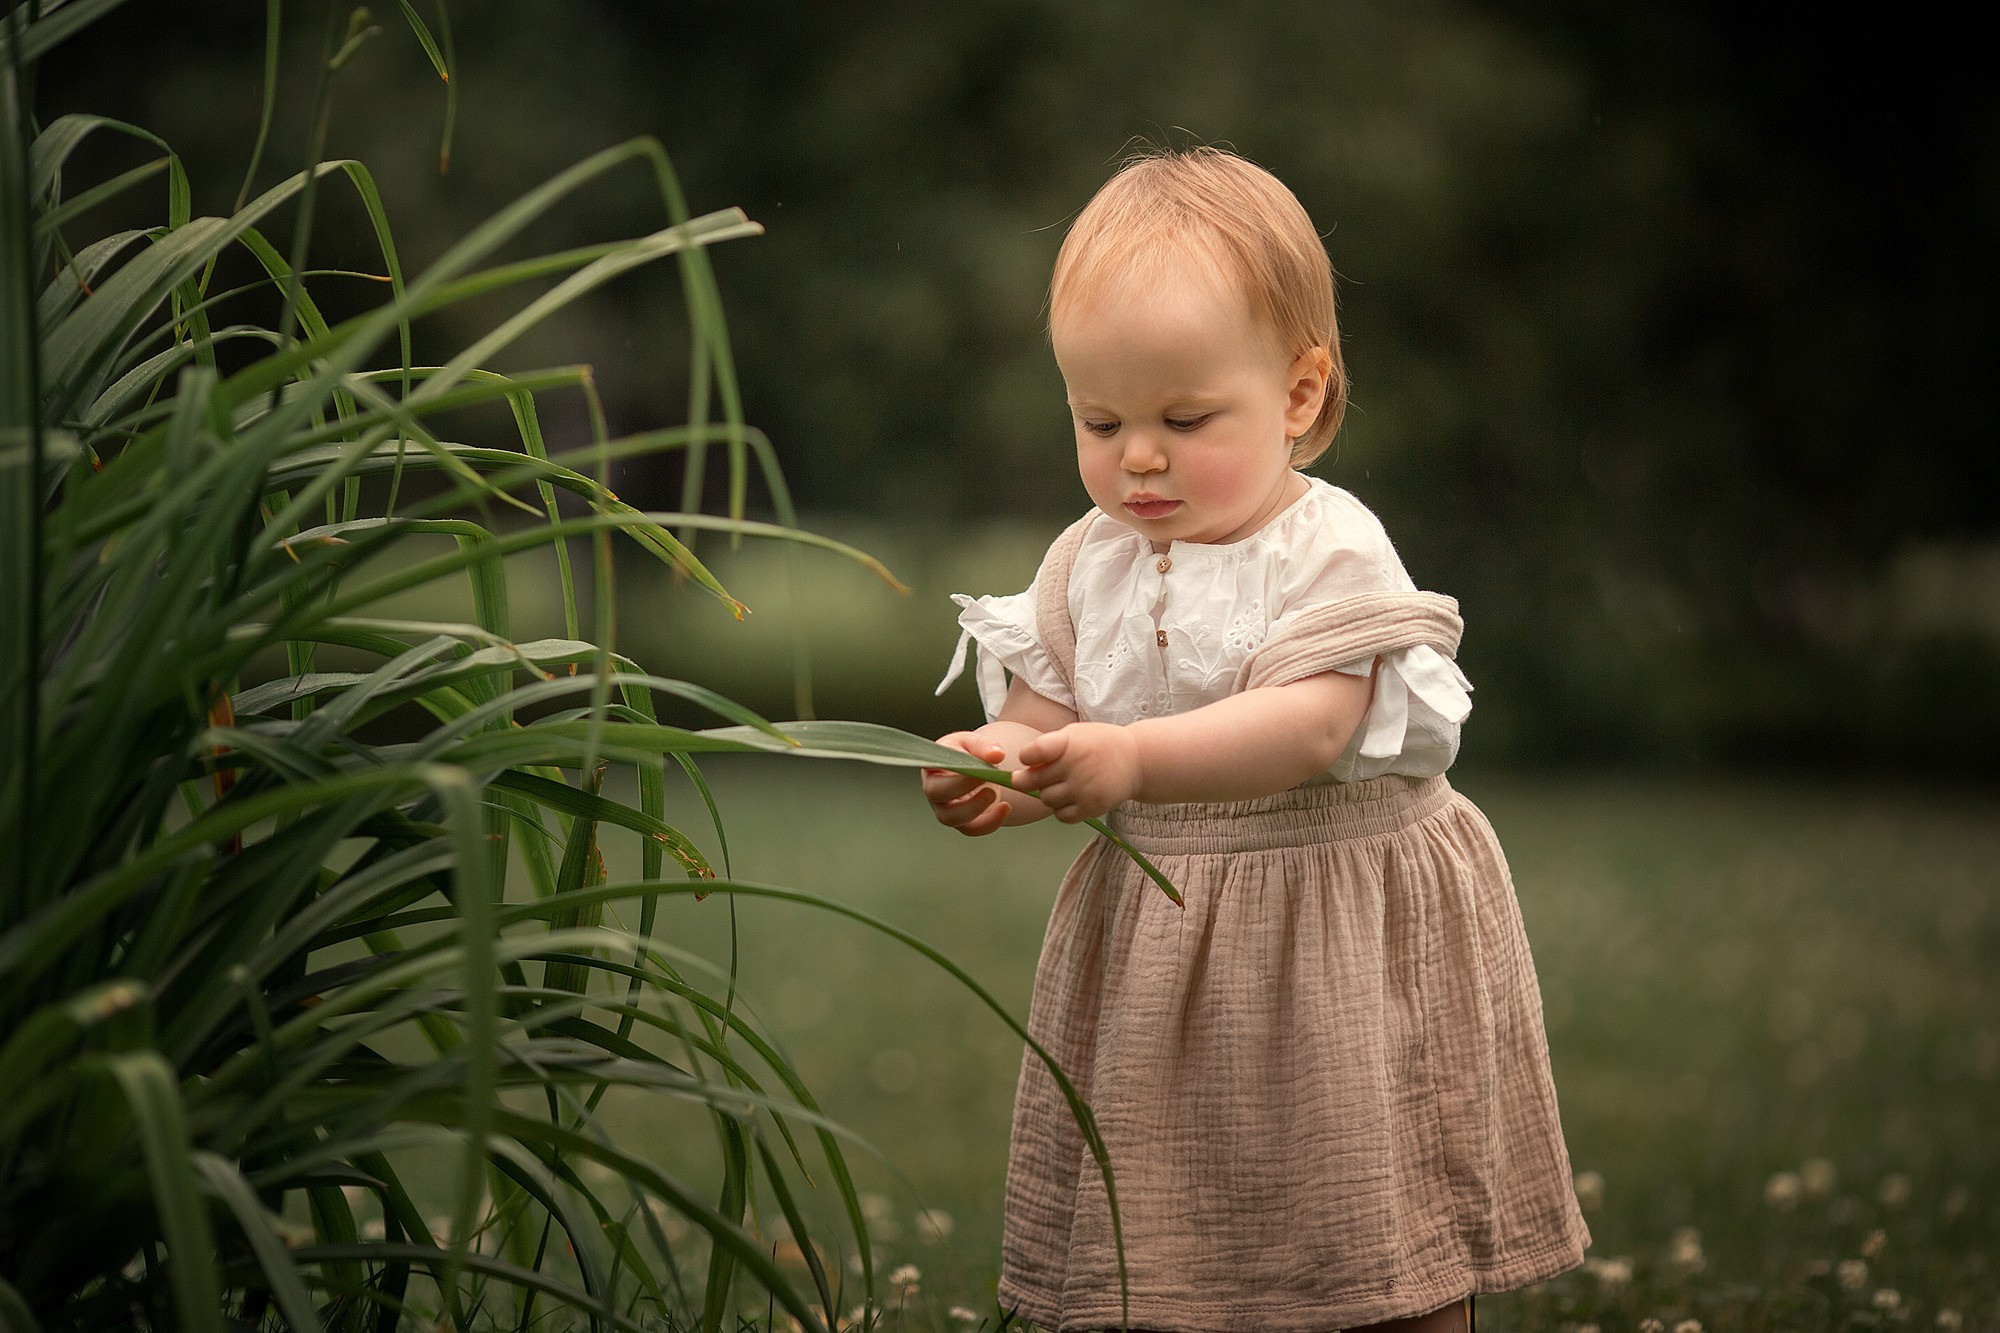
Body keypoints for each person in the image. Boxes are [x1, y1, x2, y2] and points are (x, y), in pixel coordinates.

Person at [922, 146, 1589, 1332]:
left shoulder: (1325, 546)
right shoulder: (1086, 560)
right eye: (1098, 417)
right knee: (1177, 1217)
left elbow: (1311, 722)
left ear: (1296, 394)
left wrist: (1130, 762)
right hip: (1165, 938)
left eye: (1183, 417)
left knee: (1369, 1207)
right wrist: (999, 767)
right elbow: (1052, 719)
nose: (1136, 455)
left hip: (1343, 912)